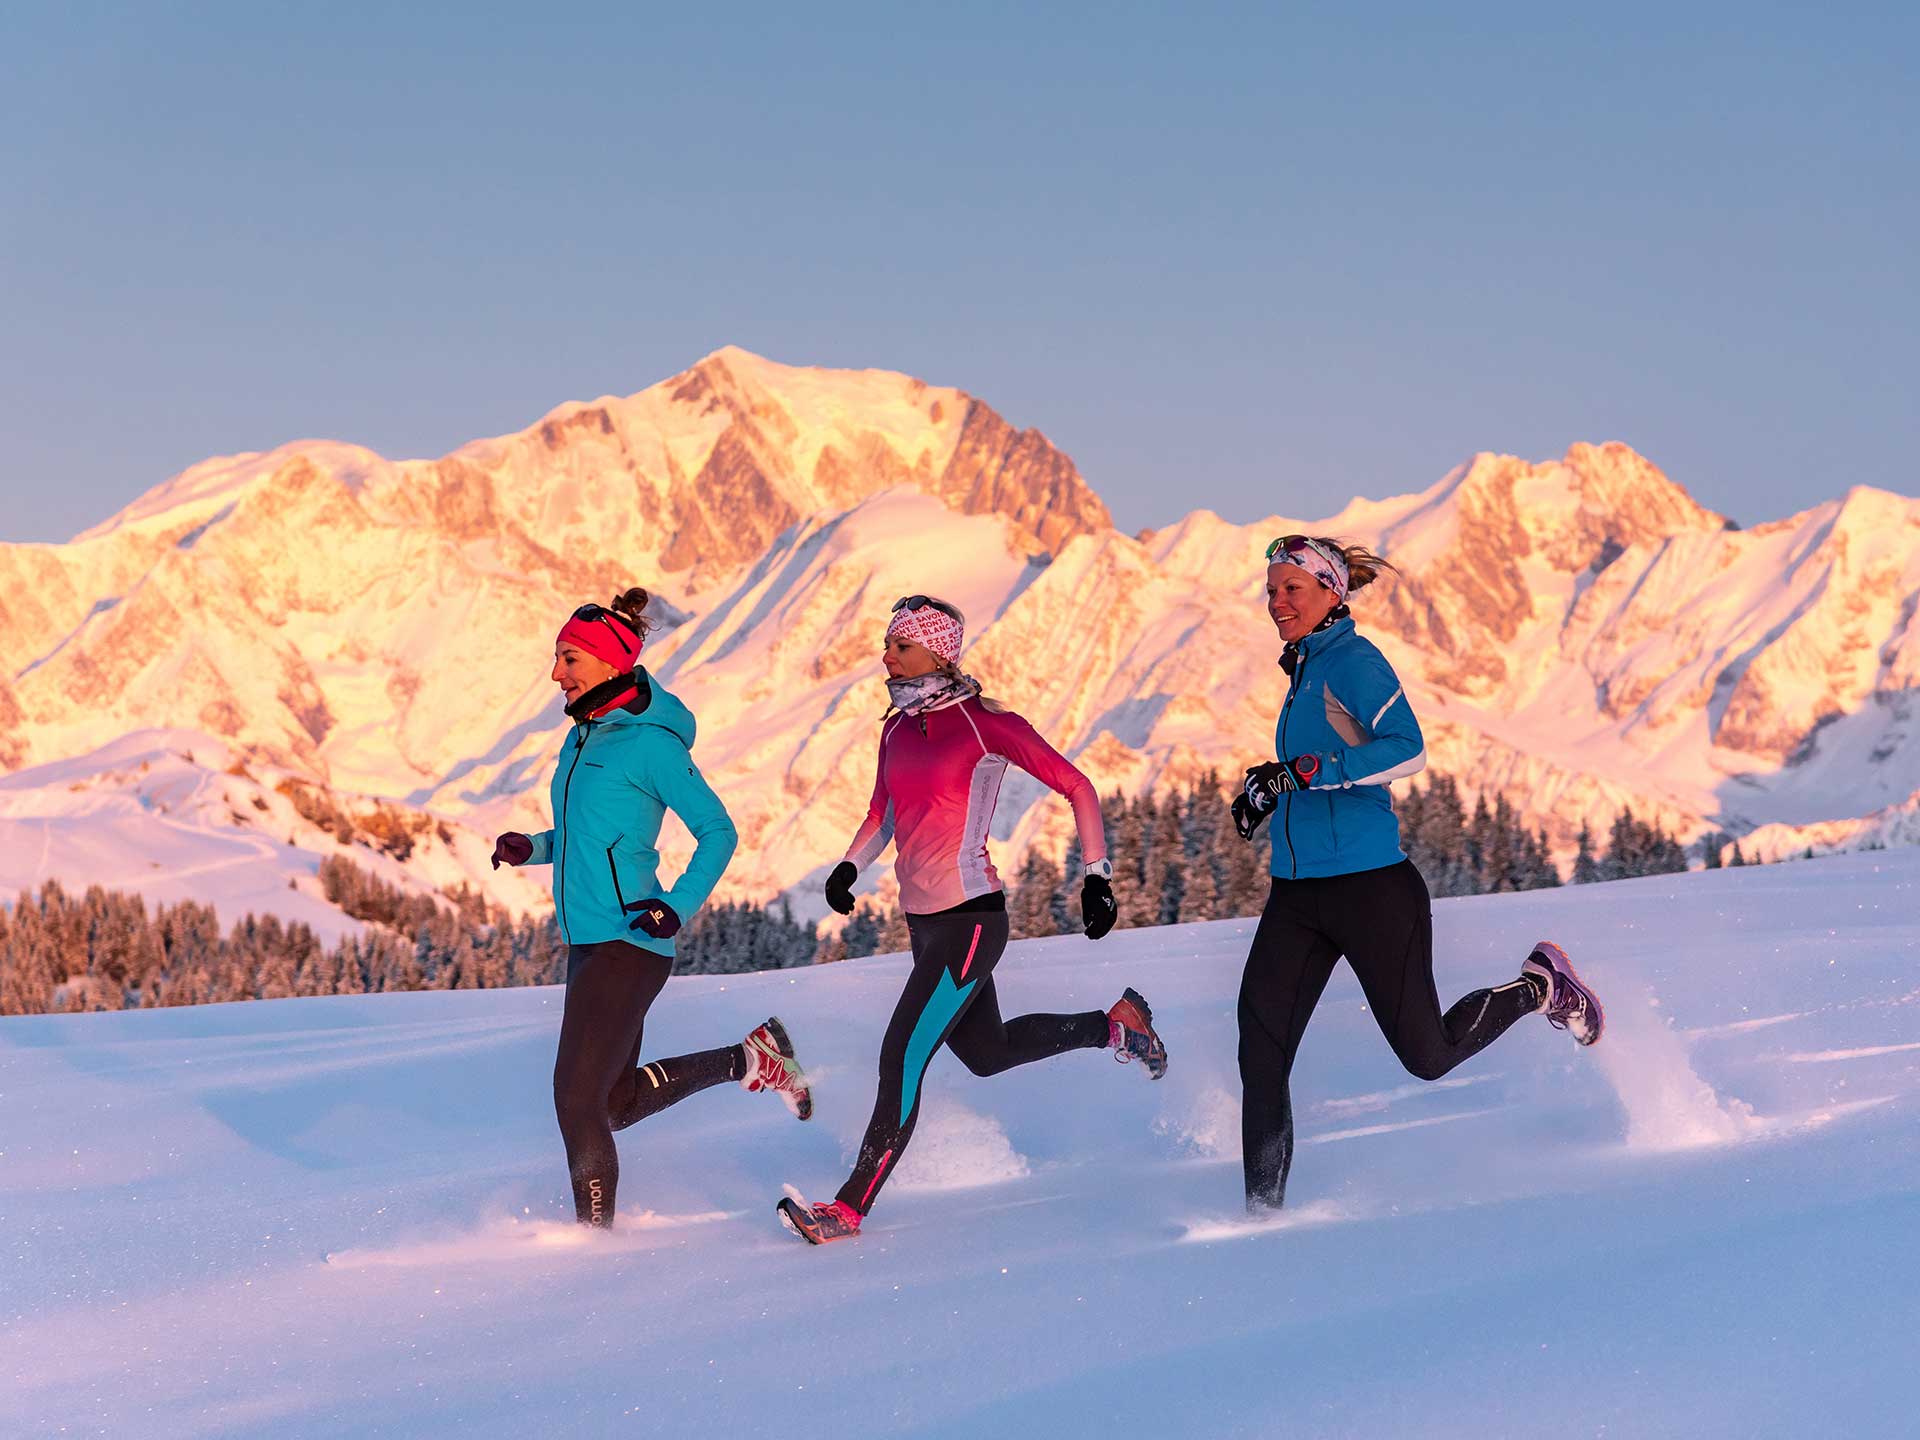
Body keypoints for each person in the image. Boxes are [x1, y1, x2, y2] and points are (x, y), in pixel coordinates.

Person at [777, 595, 1168, 1244]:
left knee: (901, 1056)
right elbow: (883, 814)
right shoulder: (896, 728)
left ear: (939, 652)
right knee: (987, 1053)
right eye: (887, 643)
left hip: (972, 921)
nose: (887, 655)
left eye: (900, 645)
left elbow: (1077, 785)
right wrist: (850, 866)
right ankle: (1116, 1029)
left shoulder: (984, 723)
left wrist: (1096, 875)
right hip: (925, 924)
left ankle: (847, 1210)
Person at [1231, 536, 1604, 1212]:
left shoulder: (1353, 660)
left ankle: (1538, 986)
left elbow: (1407, 750)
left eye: (1292, 588)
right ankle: (1262, 1219)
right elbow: (1314, 765)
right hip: (1297, 893)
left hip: (1371, 890)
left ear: (1330, 593)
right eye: (1272, 588)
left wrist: (1309, 774)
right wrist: (1270, 789)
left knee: (1427, 1055)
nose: (1277, 600)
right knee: (1260, 1053)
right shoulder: (1304, 669)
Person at [492, 588, 812, 1228]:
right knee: (610, 1102)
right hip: (590, 942)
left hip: (630, 941)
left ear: (611, 665)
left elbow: (719, 832)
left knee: (575, 1098)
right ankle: (751, 1059)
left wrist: (675, 905)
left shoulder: (653, 746)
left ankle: (595, 1239)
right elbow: (592, 837)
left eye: (569, 659)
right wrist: (534, 847)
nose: (556, 672)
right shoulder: (583, 739)